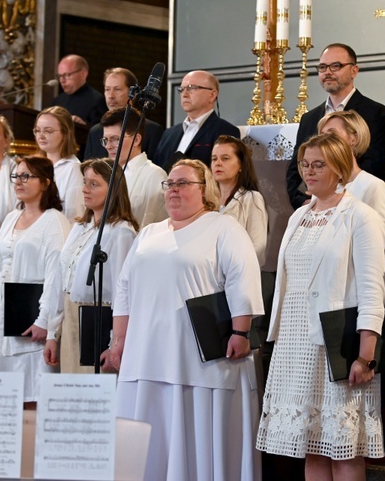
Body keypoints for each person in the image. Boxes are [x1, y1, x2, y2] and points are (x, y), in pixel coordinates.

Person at [109, 159, 264, 480]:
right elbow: (124, 288)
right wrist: (119, 341)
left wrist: (240, 330)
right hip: (145, 355)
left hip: (199, 357)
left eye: (182, 183)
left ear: (205, 190)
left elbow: (242, 279)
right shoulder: (149, 232)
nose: (173, 190)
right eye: (169, 184)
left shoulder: (224, 227)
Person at [257, 132, 385, 480]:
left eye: (319, 165)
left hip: (335, 344)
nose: (309, 172)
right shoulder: (299, 215)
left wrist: (366, 354)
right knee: (311, 446)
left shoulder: (361, 216)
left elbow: (373, 288)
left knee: (343, 447)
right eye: (304, 164)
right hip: (295, 343)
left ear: (340, 168)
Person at [0, 156, 71, 405]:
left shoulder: (54, 221)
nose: (18, 181)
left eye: (26, 176)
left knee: (30, 398)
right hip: (0, 318)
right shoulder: (10, 218)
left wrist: (44, 320)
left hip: (31, 321)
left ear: (45, 182)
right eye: (16, 176)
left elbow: (56, 276)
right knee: (0, 400)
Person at [43, 158, 138, 373]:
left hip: (98, 322)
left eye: (94, 184)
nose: (85, 189)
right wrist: (52, 333)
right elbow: (60, 282)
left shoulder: (121, 232)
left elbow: (122, 292)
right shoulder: (79, 227)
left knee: (94, 391)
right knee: (72, 391)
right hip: (71, 319)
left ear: (113, 188)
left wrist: (115, 342)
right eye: (85, 182)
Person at [286, 43, 385, 208]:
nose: (327, 72)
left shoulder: (374, 112)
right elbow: (295, 169)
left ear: (354, 70)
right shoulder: (309, 118)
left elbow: (374, 165)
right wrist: (304, 202)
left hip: (353, 203)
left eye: (336, 66)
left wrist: (332, 196)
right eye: (322, 67)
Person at [152, 70, 240, 171]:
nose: (184, 94)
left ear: (212, 95)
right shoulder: (169, 134)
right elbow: (156, 172)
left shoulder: (225, 131)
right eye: (181, 89)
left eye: (191, 88)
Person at [318, 110, 385, 228]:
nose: (324, 140)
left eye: (332, 134)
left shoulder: (373, 186)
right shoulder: (322, 184)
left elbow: (375, 237)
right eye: (321, 135)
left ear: (353, 138)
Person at [101, 107, 168, 228]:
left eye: (115, 139)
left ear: (136, 140)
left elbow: (147, 225)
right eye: (106, 140)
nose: (108, 146)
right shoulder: (107, 174)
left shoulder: (154, 175)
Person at [83, 67, 165, 160]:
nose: (111, 96)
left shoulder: (152, 130)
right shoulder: (95, 132)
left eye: (117, 89)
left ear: (133, 93)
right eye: (107, 89)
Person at [211, 135, 268, 265]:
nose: (218, 163)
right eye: (214, 159)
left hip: (237, 273)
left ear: (241, 164)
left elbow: (258, 247)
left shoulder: (251, 198)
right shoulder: (206, 200)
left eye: (225, 158)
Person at [33, 106, 85, 222]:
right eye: (37, 130)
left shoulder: (73, 169)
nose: (41, 136)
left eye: (48, 131)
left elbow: (75, 217)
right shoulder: (34, 167)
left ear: (65, 133)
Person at [52, 54, 108, 128]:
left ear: (83, 74)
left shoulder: (97, 100)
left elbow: (102, 131)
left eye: (67, 75)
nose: (62, 80)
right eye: (60, 76)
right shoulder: (57, 101)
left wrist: (84, 125)